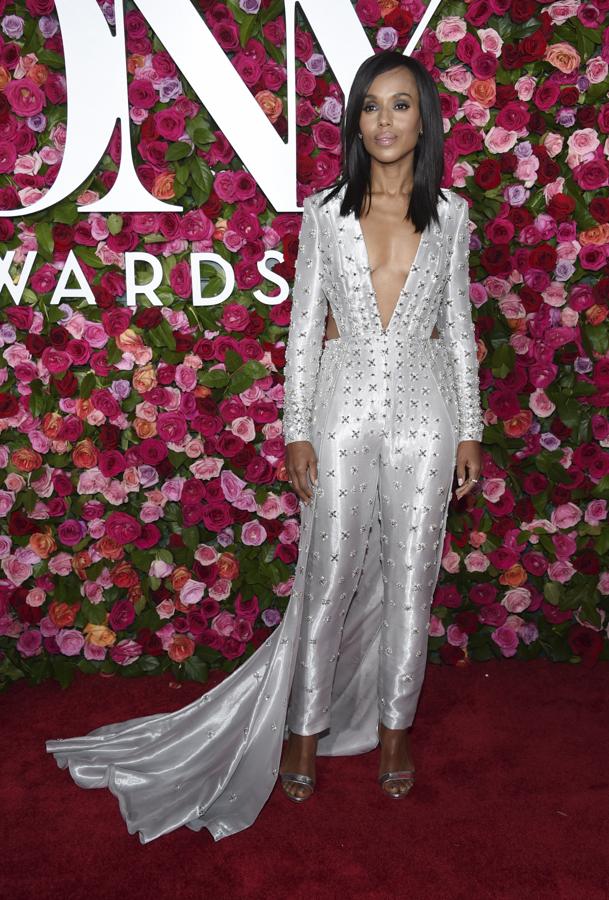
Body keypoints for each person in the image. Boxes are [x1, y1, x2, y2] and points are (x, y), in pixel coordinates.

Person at [44, 50, 483, 843]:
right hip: (341, 405)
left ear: (424, 119)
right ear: (354, 120)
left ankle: (392, 731)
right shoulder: (324, 213)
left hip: (428, 416)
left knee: (411, 587)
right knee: (325, 579)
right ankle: (304, 735)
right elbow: (299, 336)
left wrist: (474, 430)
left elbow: (457, 330)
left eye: (400, 105)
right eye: (370, 106)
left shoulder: (451, 215)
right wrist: (296, 430)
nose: (383, 120)